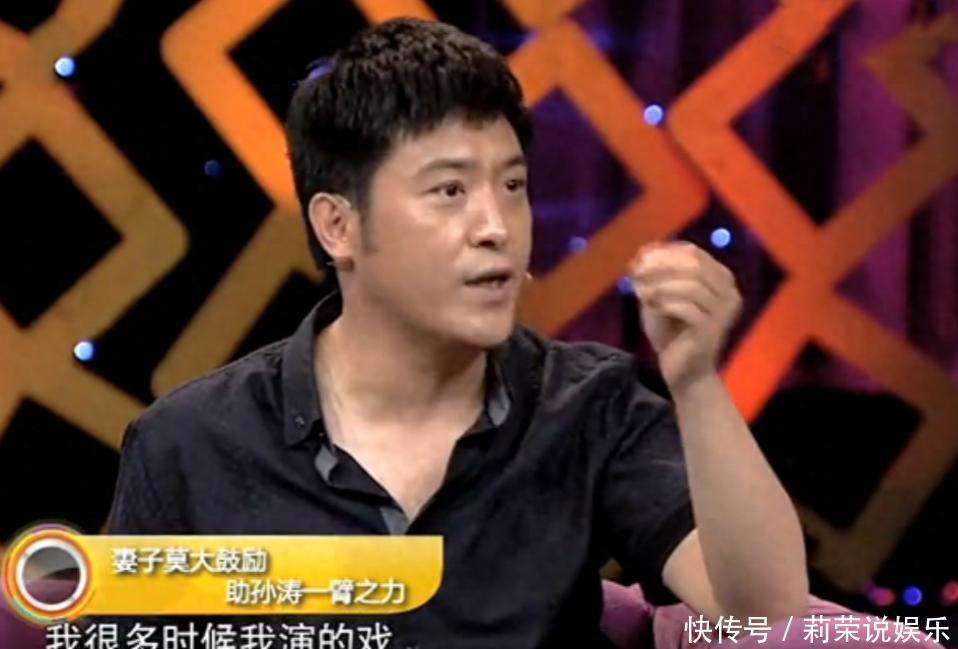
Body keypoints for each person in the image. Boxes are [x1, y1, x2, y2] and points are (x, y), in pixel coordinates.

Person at [107, 17, 808, 648]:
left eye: (512, 186)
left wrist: (697, 384)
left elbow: (763, 609)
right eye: (450, 191)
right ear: (338, 226)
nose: (496, 228)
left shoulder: (590, 406)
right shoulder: (190, 444)